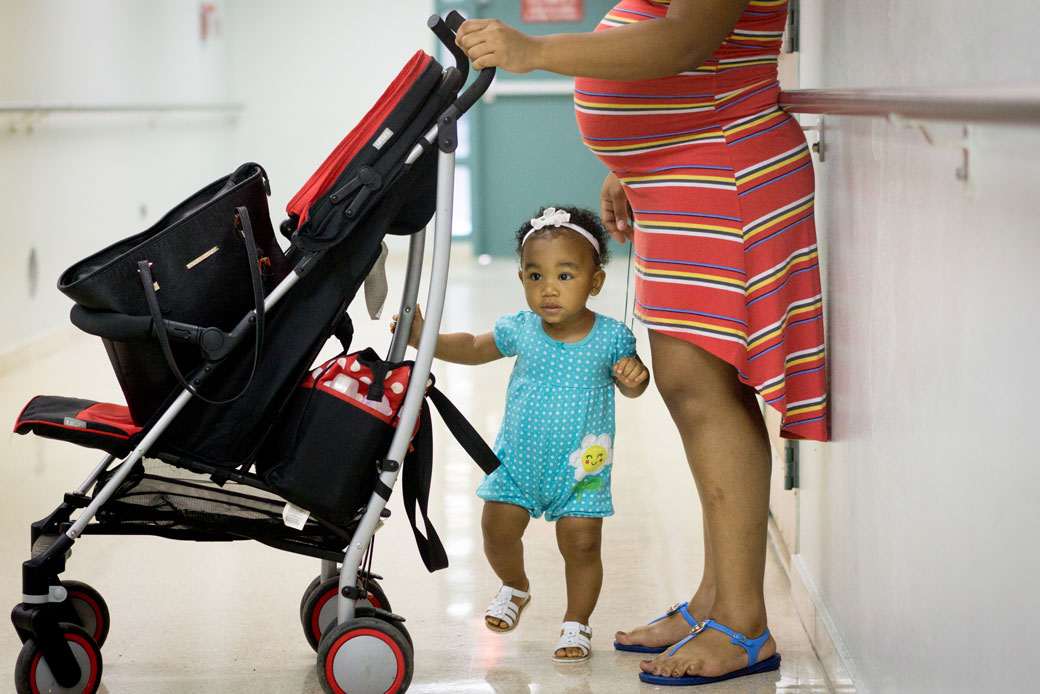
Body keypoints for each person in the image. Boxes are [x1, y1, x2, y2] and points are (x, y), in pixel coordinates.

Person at [456, 0, 829, 687]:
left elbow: (687, 40)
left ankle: (743, 623)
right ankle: (716, 602)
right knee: (695, 395)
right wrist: (637, 157)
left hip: (722, 172)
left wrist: (535, 52)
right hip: (686, 173)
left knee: (709, 394)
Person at [392, 205, 650, 662]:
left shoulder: (611, 338)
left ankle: (576, 621)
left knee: (583, 544)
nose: (549, 289)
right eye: (535, 276)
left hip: (582, 470)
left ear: (595, 283)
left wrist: (636, 378)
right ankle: (515, 586)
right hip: (517, 463)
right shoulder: (522, 330)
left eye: (565, 276)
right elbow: (472, 347)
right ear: (522, 279)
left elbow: (634, 386)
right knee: (496, 531)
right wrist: (422, 338)